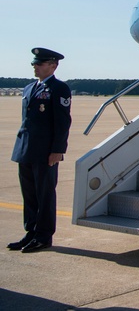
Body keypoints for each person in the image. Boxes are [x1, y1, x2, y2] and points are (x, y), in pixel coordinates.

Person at [9, 47, 72, 254]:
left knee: (45, 195)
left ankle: (43, 236)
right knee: (29, 194)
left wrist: (58, 150)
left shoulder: (59, 88)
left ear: (53, 66)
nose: (35, 67)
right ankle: (31, 232)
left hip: (46, 152)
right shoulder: (29, 88)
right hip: (26, 149)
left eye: (39, 63)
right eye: (34, 63)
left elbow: (63, 122)